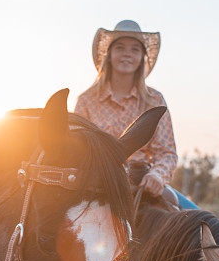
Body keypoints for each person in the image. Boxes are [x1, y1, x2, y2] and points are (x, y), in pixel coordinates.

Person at [75, 20, 196, 209]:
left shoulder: (154, 99)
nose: (127, 54)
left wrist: (157, 175)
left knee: (200, 219)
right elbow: (78, 150)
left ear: (142, 57)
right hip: (98, 182)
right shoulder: (87, 100)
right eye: (120, 48)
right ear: (109, 54)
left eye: (134, 50)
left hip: (142, 181)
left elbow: (167, 152)